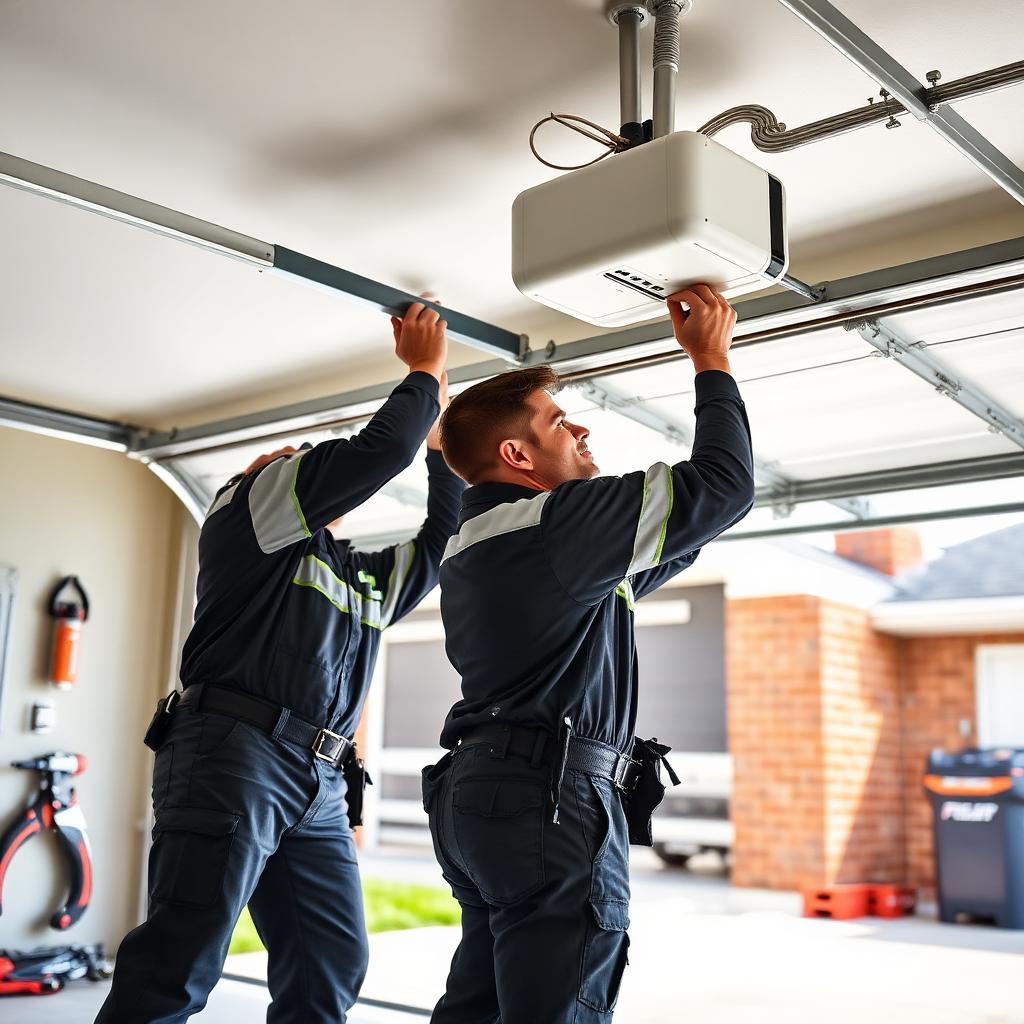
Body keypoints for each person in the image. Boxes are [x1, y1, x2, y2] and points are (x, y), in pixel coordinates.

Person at [96, 303, 464, 1024]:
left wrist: (440, 448)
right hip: (234, 754)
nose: (297, 458)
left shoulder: (360, 578)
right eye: (288, 457)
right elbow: (375, 453)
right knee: (180, 961)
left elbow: (443, 538)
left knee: (331, 961)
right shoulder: (246, 510)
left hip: (320, 779)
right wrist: (424, 373)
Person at [422, 285, 755, 1023]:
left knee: (480, 1006)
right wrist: (710, 359)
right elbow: (723, 488)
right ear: (517, 454)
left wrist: (686, 513)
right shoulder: (554, 527)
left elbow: (686, 535)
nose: (579, 428)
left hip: (488, 792)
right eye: (556, 421)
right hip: (549, 797)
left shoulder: (486, 540)